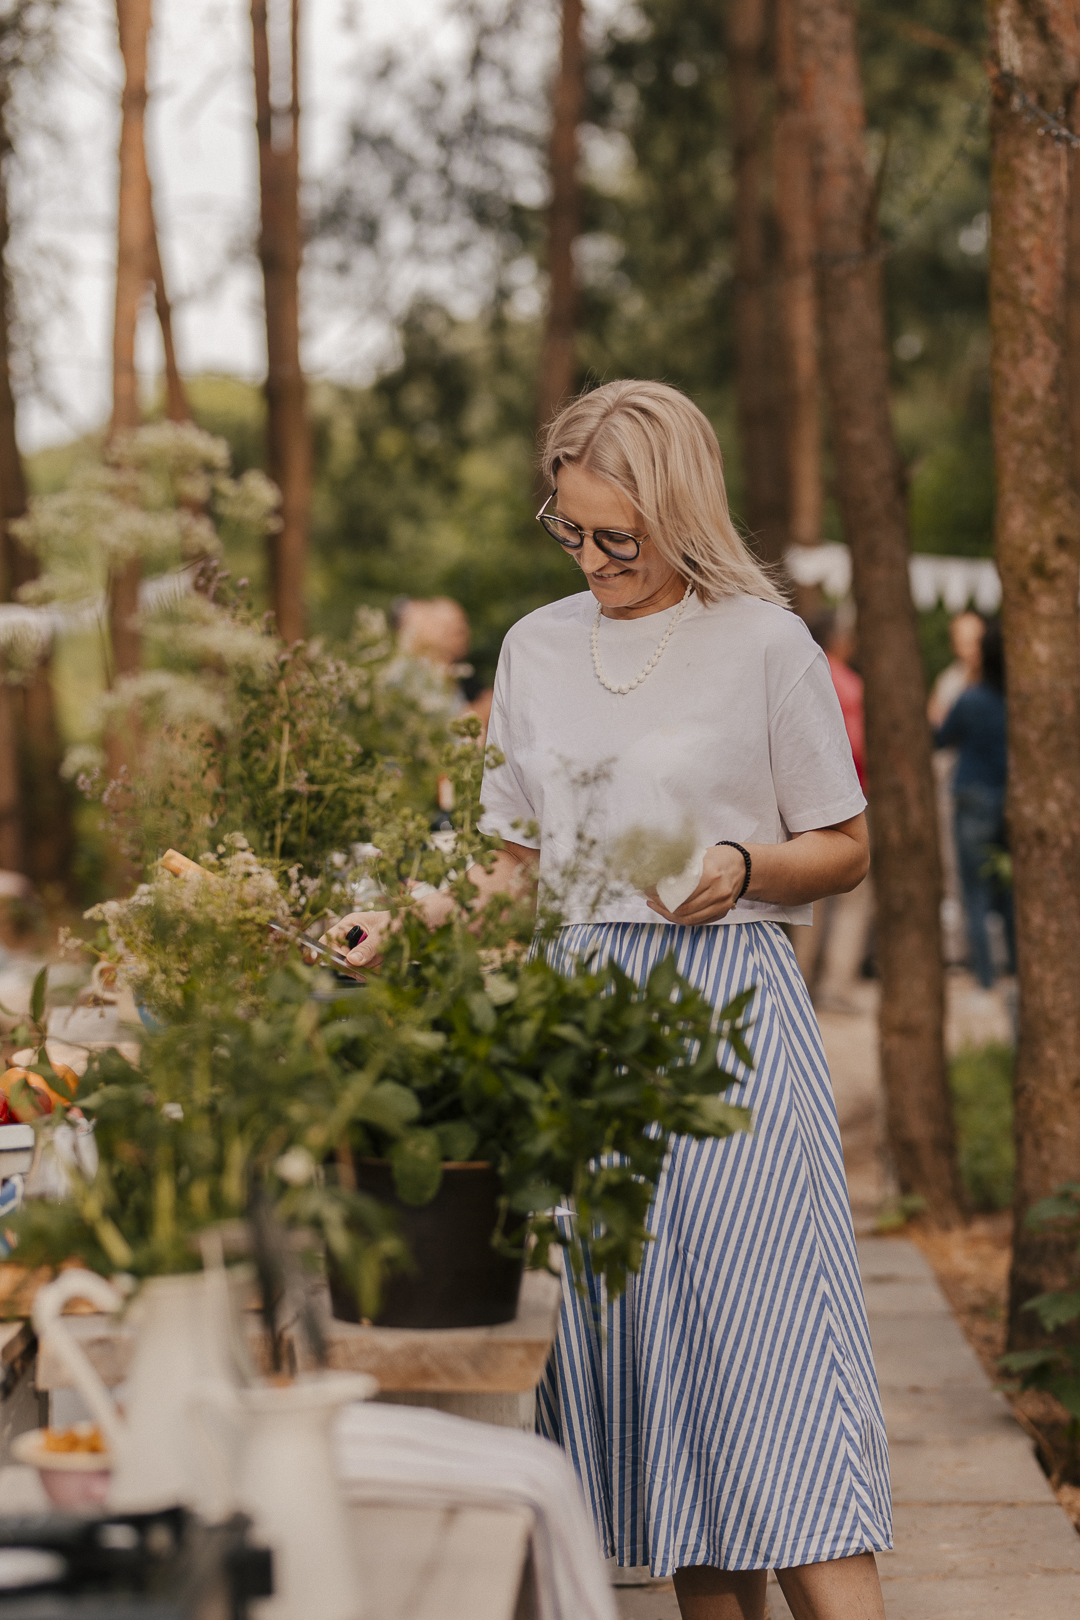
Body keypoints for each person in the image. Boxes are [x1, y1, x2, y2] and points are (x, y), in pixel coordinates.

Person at [331, 380, 890, 1620]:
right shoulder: (535, 648)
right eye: (568, 530)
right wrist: (405, 921)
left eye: (614, 538)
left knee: (770, 1363)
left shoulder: (765, 644)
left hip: (728, 1024)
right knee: (656, 1367)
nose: (589, 559)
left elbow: (846, 844)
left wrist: (741, 869)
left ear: (678, 510)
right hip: (583, 1040)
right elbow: (512, 864)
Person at [792, 607, 874, 1013]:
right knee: (854, 899)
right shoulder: (849, 685)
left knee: (810, 892)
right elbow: (858, 746)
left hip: (801, 801)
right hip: (850, 797)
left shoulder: (803, 676)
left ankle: (801, 974)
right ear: (840, 640)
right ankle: (836, 985)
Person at [935, 619, 1014, 990]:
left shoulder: (971, 699)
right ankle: (1013, 970)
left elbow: (941, 737)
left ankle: (984, 979)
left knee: (975, 893)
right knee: (1006, 891)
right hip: (1006, 800)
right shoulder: (1017, 701)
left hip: (971, 799)